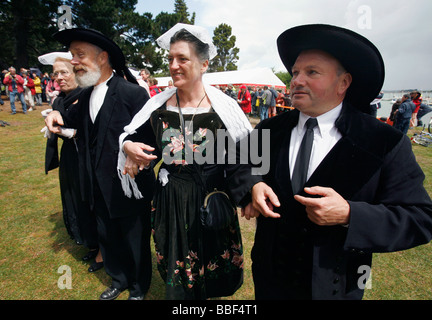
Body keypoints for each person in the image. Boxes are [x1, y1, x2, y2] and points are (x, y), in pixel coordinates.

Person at [231, 24, 432, 300]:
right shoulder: (270, 129)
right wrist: (253, 185)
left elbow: (420, 218)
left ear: (343, 83)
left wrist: (351, 214)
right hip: (270, 280)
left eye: (311, 72)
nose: (297, 81)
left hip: (336, 288)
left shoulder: (382, 142)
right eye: (296, 73)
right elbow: (239, 162)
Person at [117, 23, 251, 300]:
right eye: (170, 59)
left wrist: (251, 192)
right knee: (180, 274)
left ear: (203, 64)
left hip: (212, 197)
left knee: (213, 264)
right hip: (171, 199)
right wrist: (128, 146)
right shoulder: (157, 107)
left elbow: (251, 152)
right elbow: (131, 137)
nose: (174, 65)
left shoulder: (224, 108)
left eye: (182, 58)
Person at [44, 27, 154, 300]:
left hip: (128, 186)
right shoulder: (86, 95)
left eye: (80, 55)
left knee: (133, 238)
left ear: (103, 58)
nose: (73, 61)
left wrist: (133, 154)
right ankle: (118, 279)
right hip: (95, 184)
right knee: (107, 235)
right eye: (72, 55)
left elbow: (151, 140)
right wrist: (54, 114)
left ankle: (139, 287)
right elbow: (70, 121)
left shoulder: (133, 94)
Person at [41, 52, 101, 272]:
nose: (59, 77)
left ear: (76, 72)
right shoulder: (58, 99)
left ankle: (102, 249)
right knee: (73, 197)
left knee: (90, 199)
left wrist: (69, 132)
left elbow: (94, 131)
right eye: (55, 73)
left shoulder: (88, 95)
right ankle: (89, 242)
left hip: (89, 156)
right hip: (70, 157)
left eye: (64, 72)